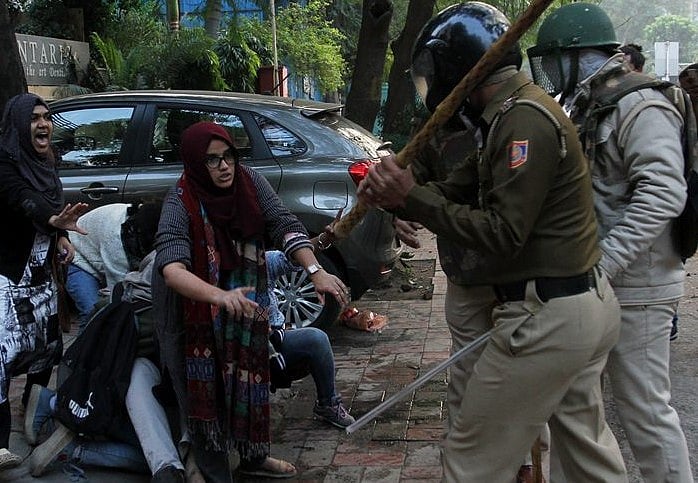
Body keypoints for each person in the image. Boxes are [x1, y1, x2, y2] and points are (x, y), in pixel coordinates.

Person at [358, 3, 627, 481]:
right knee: (587, 455)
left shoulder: (522, 120)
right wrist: (397, 196)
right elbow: (457, 187)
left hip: (549, 313)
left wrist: (412, 199)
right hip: (577, 303)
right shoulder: (506, 114)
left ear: (457, 69)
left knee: (470, 458)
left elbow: (503, 233)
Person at [528, 3, 694, 481]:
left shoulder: (640, 103)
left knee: (645, 412)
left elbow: (664, 192)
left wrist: (605, 263)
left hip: (638, 286)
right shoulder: (589, 101)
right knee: (573, 410)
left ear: (574, 53)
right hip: (595, 284)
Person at [153, 121, 349, 481]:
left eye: (228, 155)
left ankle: (254, 458)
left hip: (246, 310)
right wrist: (219, 296)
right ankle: (216, 474)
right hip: (193, 318)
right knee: (205, 401)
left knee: (251, 383)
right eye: (212, 160)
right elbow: (172, 269)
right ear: (196, 163)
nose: (224, 166)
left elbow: (283, 223)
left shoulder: (250, 182)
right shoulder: (181, 201)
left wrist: (315, 268)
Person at [0, 93, 88, 469]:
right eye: (34, 118)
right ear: (20, 124)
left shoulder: (46, 163)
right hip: (8, 277)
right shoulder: (5, 164)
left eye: (47, 117)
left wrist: (61, 237)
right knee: (2, 357)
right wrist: (52, 220)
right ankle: (0, 443)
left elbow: (52, 204)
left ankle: (33, 415)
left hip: (40, 277)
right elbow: (23, 199)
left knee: (44, 350)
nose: (43, 124)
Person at [65, 202, 161, 331]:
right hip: (77, 258)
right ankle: (82, 349)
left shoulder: (142, 221)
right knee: (94, 312)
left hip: (99, 254)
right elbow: (119, 291)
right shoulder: (116, 239)